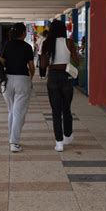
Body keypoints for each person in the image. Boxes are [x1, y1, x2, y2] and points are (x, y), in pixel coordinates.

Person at [40, 20, 79, 152]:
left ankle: (59, 142)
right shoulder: (68, 42)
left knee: (56, 111)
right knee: (66, 108)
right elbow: (77, 61)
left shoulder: (47, 43)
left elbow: (44, 65)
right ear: (63, 29)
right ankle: (67, 136)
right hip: (66, 77)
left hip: (52, 78)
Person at [0, 23, 35, 153]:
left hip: (7, 80)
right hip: (22, 79)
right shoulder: (27, 47)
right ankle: (14, 142)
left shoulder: (7, 45)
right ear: (23, 33)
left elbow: (1, 61)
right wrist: (29, 80)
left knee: (11, 111)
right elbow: (31, 67)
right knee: (19, 112)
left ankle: (11, 138)